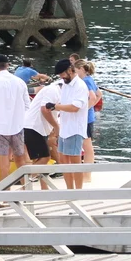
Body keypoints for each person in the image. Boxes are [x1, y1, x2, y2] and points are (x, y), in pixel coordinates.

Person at [0, 54, 30, 182]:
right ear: (7, 65)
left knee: (3, 166)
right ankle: (26, 190)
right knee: (20, 160)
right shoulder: (20, 82)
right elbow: (27, 105)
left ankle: (5, 192)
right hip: (17, 126)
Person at [49, 58, 89, 189]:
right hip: (64, 128)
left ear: (70, 70)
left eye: (62, 74)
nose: (61, 77)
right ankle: (69, 189)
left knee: (75, 162)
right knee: (63, 161)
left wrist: (56, 106)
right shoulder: (65, 84)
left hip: (75, 129)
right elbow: (64, 103)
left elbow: (74, 107)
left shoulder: (80, 86)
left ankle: (78, 191)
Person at [23, 79, 61, 185]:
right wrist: (56, 126)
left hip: (37, 127)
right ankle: (26, 184)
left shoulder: (53, 90)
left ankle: (44, 188)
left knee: (39, 159)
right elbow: (45, 109)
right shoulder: (54, 90)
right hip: (34, 127)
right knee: (45, 158)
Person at [75, 60, 102, 183]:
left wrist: (84, 110)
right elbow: (99, 94)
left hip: (86, 118)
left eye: (75, 70)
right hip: (89, 117)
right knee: (87, 145)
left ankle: (87, 175)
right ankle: (86, 174)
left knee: (87, 146)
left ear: (81, 69)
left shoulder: (85, 81)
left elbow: (93, 97)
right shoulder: (90, 79)